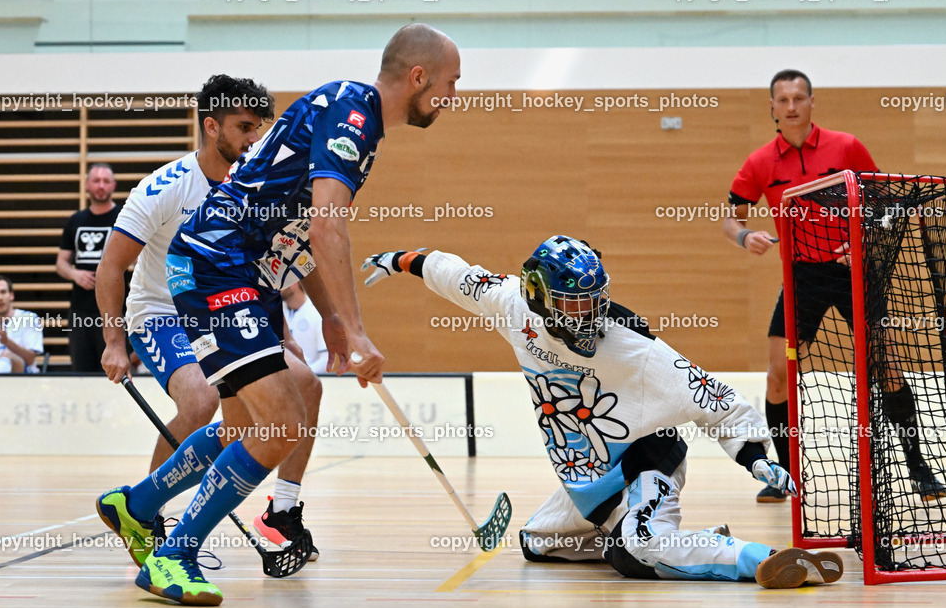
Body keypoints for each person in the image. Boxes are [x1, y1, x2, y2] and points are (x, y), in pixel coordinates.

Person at [119, 23, 460, 606]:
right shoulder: (353, 113)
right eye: (451, 83)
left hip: (238, 271)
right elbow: (329, 224)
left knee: (243, 429)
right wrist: (355, 331)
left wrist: (329, 315)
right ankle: (173, 555)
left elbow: (299, 229)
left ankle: (139, 503)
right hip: (217, 265)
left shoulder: (355, 117)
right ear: (419, 76)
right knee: (282, 423)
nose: (454, 97)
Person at [360, 236, 844, 588]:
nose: (589, 317)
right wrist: (399, 259)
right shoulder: (513, 307)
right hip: (590, 483)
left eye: (594, 302)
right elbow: (455, 274)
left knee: (633, 554)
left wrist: (756, 457)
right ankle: (675, 538)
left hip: (645, 460)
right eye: (573, 305)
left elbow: (713, 398)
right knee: (536, 544)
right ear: (539, 298)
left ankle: (765, 558)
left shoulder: (632, 346)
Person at [95, 75, 323, 565]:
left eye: (259, 129)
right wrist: (115, 342)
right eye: (244, 127)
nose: (253, 139)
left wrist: (282, 335)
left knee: (306, 385)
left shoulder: (262, 186)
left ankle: (283, 509)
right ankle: (146, 517)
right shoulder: (167, 186)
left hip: (230, 310)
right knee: (199, 399)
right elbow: (111, 265)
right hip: (162, 314)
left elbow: (275, 265)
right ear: (211, 125)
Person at [721, 69, 946, 503]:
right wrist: (744, 236)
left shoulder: (847, 147)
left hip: (852, 272)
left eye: (799, 98)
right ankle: (783, 475)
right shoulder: (760, 161)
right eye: (782, 100)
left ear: (811, 103)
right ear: (772, 107)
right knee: (778, 377)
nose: (791, 106)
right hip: (802, 276)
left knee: (887, 366)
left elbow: (882, 202)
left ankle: (919, 467)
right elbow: (732, 218)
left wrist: (864, 237)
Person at [56, 163, 121, 373]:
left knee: (115, 372)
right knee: (81, 372)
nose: (101, 186)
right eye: (96, 181)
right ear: (86, 185)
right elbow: (61, 262)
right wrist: (75, 273)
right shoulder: (76, 220)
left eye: (105, 181)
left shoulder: (124, 217)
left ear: (113, 185)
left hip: (115, 311)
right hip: (80, 311)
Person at [281, 282, 328, 375]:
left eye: (282, 283)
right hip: (282, 379)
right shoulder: (276, 310)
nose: (276, 288)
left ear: (294, 283)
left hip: (307, 378)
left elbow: (325, 360)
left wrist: (305, 375)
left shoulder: (317, 314)